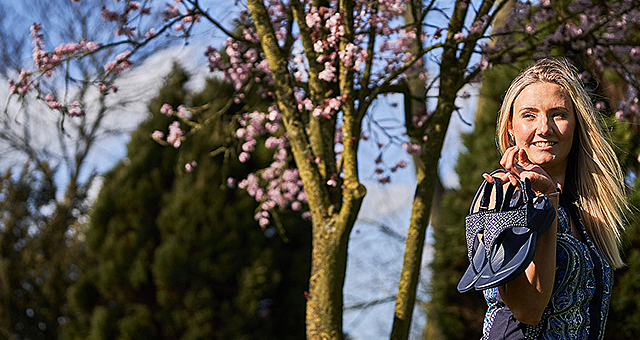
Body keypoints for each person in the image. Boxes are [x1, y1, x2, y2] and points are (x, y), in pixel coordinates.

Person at [479, 58, 629, 339]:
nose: (544, 127)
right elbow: (528, 308)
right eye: (529, 115)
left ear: (576, 124)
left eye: (558, 114)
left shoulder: (580, 212)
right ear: (511, 127)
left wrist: (552, 198)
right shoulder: (507, 196)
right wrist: (545, 200)